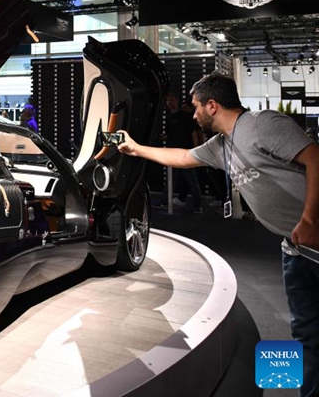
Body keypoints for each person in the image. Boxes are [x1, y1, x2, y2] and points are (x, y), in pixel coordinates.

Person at [117, 71, 319, 397]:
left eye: (196, 107)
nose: (192, 114)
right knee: (306, 333)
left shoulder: (261, 124)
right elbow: (183, 157)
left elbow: (315, 157)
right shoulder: (222, 147)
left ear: (212, 105)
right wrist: (136, 148)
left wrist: (309, 219)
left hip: (313, 238)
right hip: (295, 250)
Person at [163, 92, 202, 212]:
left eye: (172, 100)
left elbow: (193, 133)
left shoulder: (185, 116)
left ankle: (198, 206)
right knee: (171, 180)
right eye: (168, 100)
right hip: (172, 153)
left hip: (186, 152)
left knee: (192, 180)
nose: (170, 103)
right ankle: (166, 203)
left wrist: (195, 150)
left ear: (177, 100)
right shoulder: (169, 117)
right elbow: (169, 134)